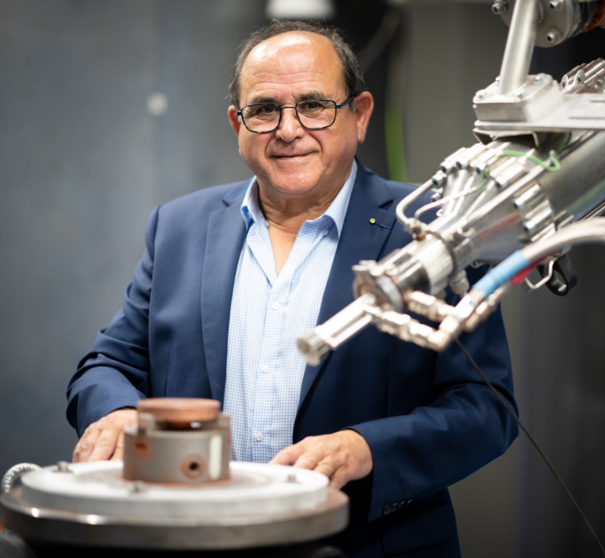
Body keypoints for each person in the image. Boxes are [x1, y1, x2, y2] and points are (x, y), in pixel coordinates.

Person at [66, 20, 517, 558]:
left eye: (314, 105)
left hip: (370, 544)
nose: (288, 129)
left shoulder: (432, 229)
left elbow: (487, 409)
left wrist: (366, 448)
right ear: (237, 122)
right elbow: (107, 364)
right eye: (263, 109)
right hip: (195, 540)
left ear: (361, 115)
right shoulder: (180, 228)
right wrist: (115, 411)